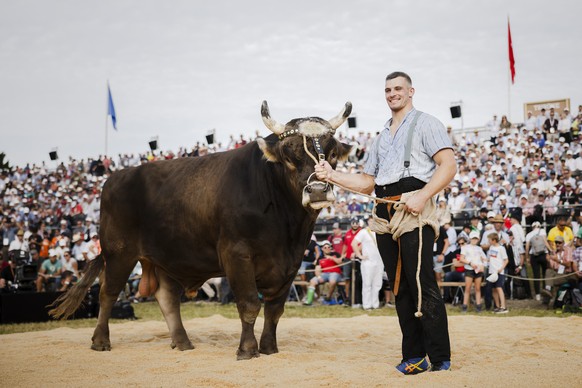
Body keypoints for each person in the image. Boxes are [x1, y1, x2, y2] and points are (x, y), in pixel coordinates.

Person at [315, 71, 455, 373]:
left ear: (411, 91)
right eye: (388, 90)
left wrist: (423, 195)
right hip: (384, 212)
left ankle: (441, 357)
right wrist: (332, 174)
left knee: (421, 283)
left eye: (398, 89)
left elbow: (448, 165)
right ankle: (414, 356)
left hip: (413, 207)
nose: (392, 94)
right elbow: (367, 183)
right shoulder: (381, 137)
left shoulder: (427, 122)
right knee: (400, 286)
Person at [351, 219, 384, 310]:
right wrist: (359, 256)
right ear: (368, 222)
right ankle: (366, 305)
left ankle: (375, 304)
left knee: (377, 284)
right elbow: (354, 243)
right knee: (367, 284)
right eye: (370, 221)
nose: (372, 222)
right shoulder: (364, 232)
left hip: (379, 261)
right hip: (368, 262)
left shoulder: (380, 231)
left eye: (374, 220)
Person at [303, 241, 343, 305]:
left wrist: (332, 258)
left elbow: (340, 263)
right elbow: (317, 269)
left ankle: (328, 298)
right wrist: (319, 277)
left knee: (332, 281)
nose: (327, 249)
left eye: (328, 247)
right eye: (325, 247)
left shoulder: (336, 254)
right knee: (312, 281)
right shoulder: (320, 258)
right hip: (325, 274)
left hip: (335, 273)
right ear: (322, 249)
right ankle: (309, 301)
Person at [459, 231, 486, 312]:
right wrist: (470, 263)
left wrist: (482, 265)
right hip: (469, 269)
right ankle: (464, 306)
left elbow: (484, 259)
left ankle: (478, 306)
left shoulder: (480, 249)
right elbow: (461, 259)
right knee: (468, 288)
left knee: (478, 288)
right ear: (470, 239)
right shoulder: (465, 247)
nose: (474, 240)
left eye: (476, 238)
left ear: (478, 239)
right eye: (473, 238)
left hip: (478, 270)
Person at [525, 221, 552, 301]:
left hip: (534, 256)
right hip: (543, 254)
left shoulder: (529, 234)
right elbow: (545, 242)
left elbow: (527, 248)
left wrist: (527, 257)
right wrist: (550, 251)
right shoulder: (543, 231)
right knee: (545, 274)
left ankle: (537, 294)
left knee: (536, 275)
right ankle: (545, 291)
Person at [486, 233, 509, 313]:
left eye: (489, 240)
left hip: (499, 272)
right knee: (494, 289)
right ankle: (497, 306)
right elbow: (490, 259)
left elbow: (506, 260)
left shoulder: (501, 248)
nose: (488, 241)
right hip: (492, 271)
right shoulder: (491, 247)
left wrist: (501, 268)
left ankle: (503, 306)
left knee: (499, 288)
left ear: (494, 240)